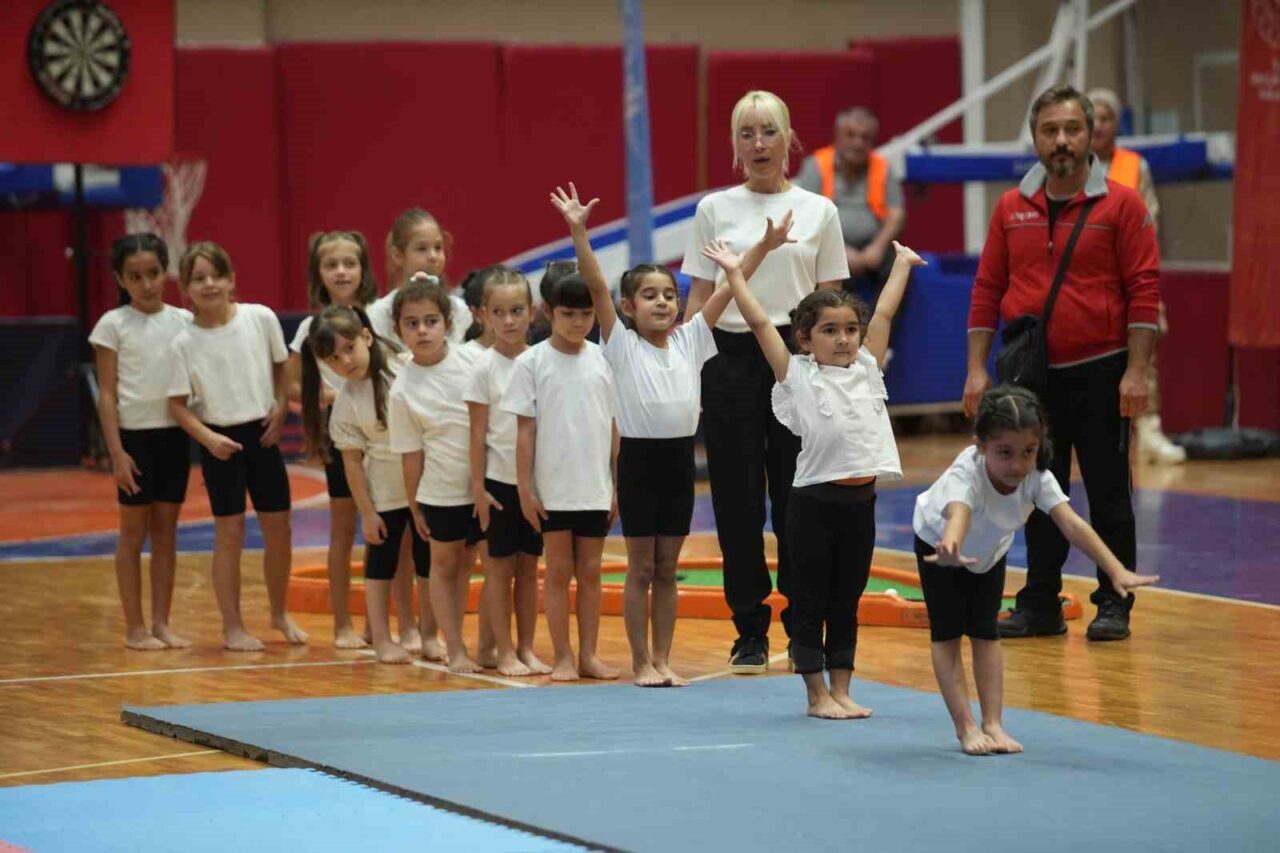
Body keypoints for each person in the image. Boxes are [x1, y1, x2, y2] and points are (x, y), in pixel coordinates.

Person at [964, 84, 1161, 642]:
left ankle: (1114, 602)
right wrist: (977, 371)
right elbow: (986, 289)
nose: (1062, 141)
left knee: (1108, 492)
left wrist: (1137, 372)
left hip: (1103, 371)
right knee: (1034, 490)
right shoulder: (1009, 209)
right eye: (1050, 130)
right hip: (1030, 380)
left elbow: (1144, 290)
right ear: (1035, 138)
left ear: (1091, 134)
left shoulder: (1124, 205)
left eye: (1072, 129)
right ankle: (1040, 604)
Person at [705, 229, 922, 718]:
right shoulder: (797, 375)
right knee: (810, 602)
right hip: (812, 506)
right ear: (805, 339)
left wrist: (902, 264)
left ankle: (842, 689)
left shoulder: (868, 367)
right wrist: (736, 274)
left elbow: (883, 313)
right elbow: (760, 322)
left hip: (860, 504)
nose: (844, 338)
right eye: (829, 330)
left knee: (847, 601)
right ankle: (815, 695)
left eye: (849, 329)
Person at [681, 90, 849, 673]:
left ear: (789, 139)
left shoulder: (820, 210)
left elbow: (833, 302)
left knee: (798, 499)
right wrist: (684, 370)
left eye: (769, 132)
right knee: (736, 500)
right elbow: (698, 300)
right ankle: (749, 628)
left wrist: (835, 372)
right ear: (735, 145)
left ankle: (804, 625)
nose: (759, 144)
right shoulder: (712, 209)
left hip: (797, 356)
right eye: (747, 134)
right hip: (728, 359)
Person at [552, 182, 736, 687]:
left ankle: (664, 659)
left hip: (679, 463)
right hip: (637, 461)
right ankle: (640, 662)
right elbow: (593, 285)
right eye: (649, 296)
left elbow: (723, 291)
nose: (662, 303)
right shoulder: (621, 345)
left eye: (669, 296)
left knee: (666, 568)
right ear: (628, 308)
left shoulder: (692, 340)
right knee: (639, 569)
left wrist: (755, 253)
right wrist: (578, 231)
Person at [913, 385, 1159, 754]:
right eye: (1005, 453)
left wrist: (1115, 570)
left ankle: (993, 724)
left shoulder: (1037, 477)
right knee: (947, 634)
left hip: (989, 554)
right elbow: (958, 512)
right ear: (981, 445)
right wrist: (950, 543)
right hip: (939, 546)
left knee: (986, 633)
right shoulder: (968, 473)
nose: (1017, 465)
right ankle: (965, 727)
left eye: (1028, 452)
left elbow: (1072, 524)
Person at [167, 242, 307, 651]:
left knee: (279, 529)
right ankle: (232, 627)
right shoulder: (183, 343)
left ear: (231, 280)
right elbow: (176, 406)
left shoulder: (259, 318)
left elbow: (283, 370)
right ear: (187, 289)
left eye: (216, 275)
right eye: (199, 278)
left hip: (262, 437)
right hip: (220, 443)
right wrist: (209, 439)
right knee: (229, 535)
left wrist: (281, 410)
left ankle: (279, 613)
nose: (209, 284)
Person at [503, 266, 620, 683]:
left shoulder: (605, 361)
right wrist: (524, 488)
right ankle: (563, 656)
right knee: (556, 573)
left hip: (594, 487)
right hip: (552, 489)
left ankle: (588, 654)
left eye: (586, 315)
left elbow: (613, 427)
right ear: (548, 312)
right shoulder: (532, 363)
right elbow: (524, 430)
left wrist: (615, 485)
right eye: (569, 314)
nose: (578, 323)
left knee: (590, 573)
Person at [301, 305, 432, 663]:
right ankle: (383, 638)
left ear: (367, 338)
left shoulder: (405, 369)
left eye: (349, 348)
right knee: (381, 563)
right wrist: (367, 512)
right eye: (333, 358)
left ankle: (430, 633)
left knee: (427, 561)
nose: (344, 361)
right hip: (385, 495)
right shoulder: (346, 402)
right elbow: (353, 464)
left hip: (426, 487)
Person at [90, 233, 193, 650]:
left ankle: (162, 622)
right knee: (133, 532)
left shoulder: (184, 322)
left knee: (166, 532)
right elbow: (109, 394)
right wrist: (116, 452)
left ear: (165, 270)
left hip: (173, 437)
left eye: (153, 273)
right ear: (120, 278)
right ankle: (134, 627)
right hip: (134, 440)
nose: (147, 284)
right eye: (135, 276)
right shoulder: (112, 325)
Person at [286, 231, 377, 650]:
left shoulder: (379, 315)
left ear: (363, 268)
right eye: (331, 265)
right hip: (341, 439)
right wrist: (341, 397)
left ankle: (383, 623)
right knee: (344, 530)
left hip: (385, 436)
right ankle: (343, 624)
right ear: (318, 273)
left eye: (350, 263)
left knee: (395, 529)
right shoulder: (309, 327)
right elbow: (291, 387)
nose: (341, 271)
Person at [388, 277, 484, 673]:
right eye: (412, 324)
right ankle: (455, 648)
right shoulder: (402, 390)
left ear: (448, 323)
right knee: (442, 568)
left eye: (430, 321)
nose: (422, 330)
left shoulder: (474, 363)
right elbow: (412, 455)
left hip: (483, 486)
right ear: (399, 331)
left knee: (468, 565)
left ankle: (478, 642)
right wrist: (414, 505)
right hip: (440, 492)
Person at [1087, 87, 1184, 465]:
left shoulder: (1134, 166)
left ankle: (1150, 430)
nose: (1099, 125)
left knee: (1145, 350)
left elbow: (1149, 222)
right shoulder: (1071, 166)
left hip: (1129, 271)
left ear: (1116, 124)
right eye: (1092, 117)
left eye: (1107, 117)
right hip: (1087, 277)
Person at [464, 266, 552, 677]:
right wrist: (478, 489)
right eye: (499, 312)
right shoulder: (483, 367)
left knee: (529, 570)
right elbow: (478, 432)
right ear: (483, 315)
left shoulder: (541, 361)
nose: (509, 320)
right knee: (498, 571)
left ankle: (526, 648)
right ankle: (501, 651)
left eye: (517, 310)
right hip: (499, 485)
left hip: (535, 486)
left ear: (532, 311)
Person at [794, 106, 906, 294]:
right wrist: (839, 250)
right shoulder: (816, 166)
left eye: (865, 137)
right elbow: (805, 217)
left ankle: (883, 323)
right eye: (851, 135)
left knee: (900, 265)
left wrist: (877, 247)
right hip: (828, 245)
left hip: (873, 247)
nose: (858, 143)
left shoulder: (882, 167)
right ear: (837, 137)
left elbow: (897, 215)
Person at [368, 208, 468, 348]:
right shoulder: (379, 313)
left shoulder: (459, 309)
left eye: (438, 247)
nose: (433, 256)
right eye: (422, 249)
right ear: (398, 255)